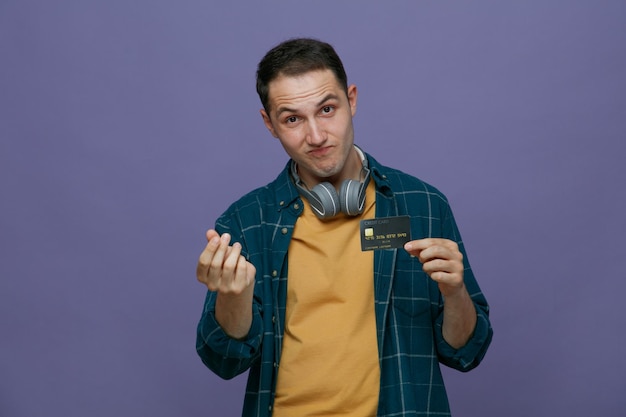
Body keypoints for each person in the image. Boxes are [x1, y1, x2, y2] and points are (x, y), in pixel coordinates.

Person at [195, 38, 493, 417]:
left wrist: (455, 293)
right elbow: (223, 362)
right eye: (292, 119)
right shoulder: (245, 221)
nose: (316, 136)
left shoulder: (423, 206)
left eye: (327, 109)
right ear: (269, 124)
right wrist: (231, 297)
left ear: (351, 100)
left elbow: (467, 352)